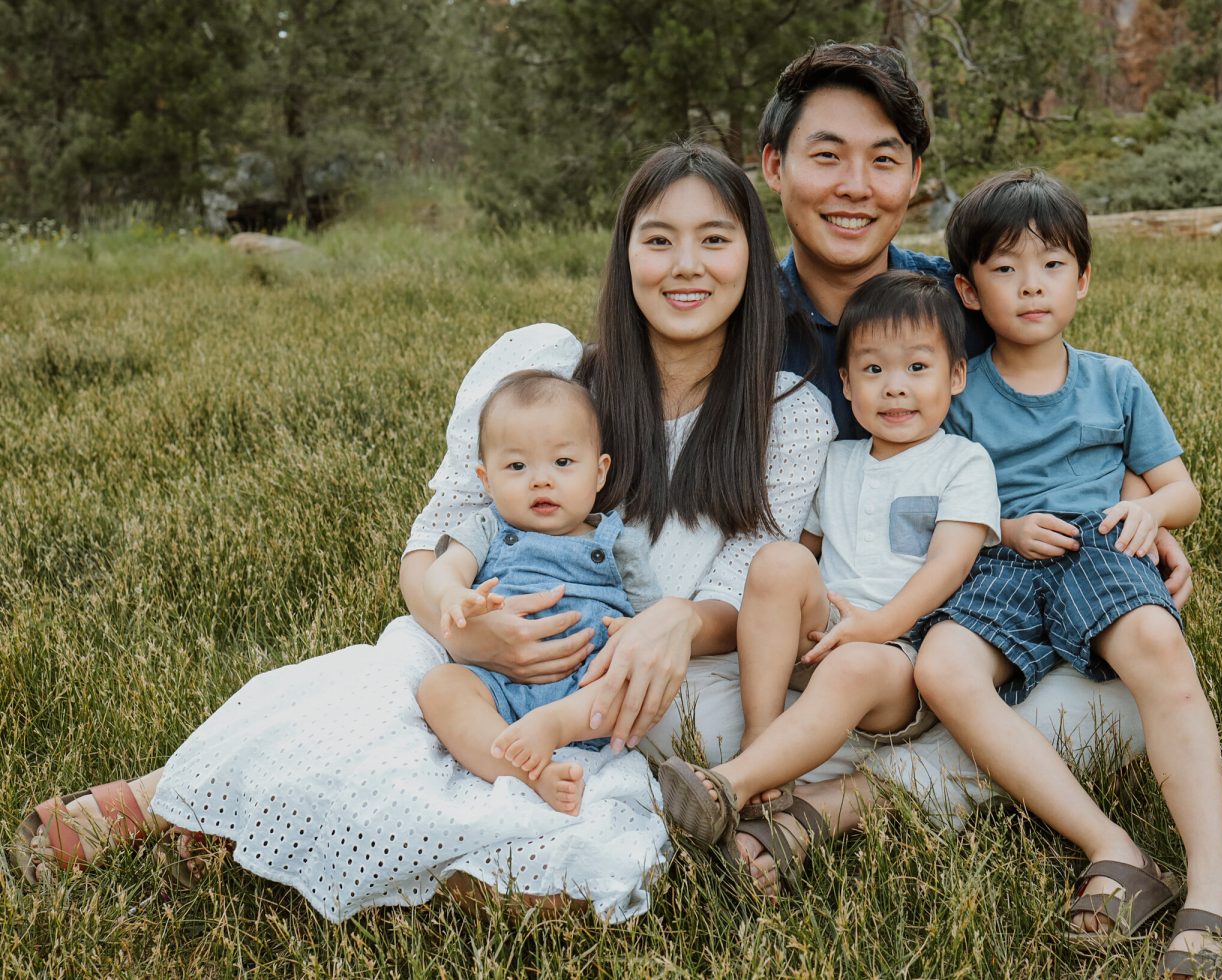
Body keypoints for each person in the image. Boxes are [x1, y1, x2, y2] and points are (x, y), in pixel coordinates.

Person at [11, 142, 836, 922]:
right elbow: (436, 541)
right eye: (659, 240)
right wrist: (460, 619)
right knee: (374, 696)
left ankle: (256, 836)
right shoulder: (551, 378)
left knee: (562, 873)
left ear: (751, 259)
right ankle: (165, 804)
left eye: (714, 240)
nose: (686, 266)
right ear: (625, 257)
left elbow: (746, 578)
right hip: (479, 666)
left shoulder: (788, 413)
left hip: (644, 692)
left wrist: (672, 625)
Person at [643, 40, 1195, 899]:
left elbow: (1085, 417)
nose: (855, 185)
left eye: (883, 160)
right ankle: (822, 778)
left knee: (1116, 699)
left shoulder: (966, 304)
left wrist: (1134, 514)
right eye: (827, 156)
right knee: (698, 716)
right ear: (774, 166)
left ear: (915, 177)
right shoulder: (736, 315)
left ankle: (849, 796)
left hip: (977, 627)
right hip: (805, 635)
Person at [913, 168, 1222, 977]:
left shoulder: (1115, 381)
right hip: (1003, 558)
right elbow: (932, 501)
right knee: (942, 667)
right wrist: (1003, 527)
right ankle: (1118, 850)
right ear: (965, 289)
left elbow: (1181, 489)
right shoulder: (958, 391)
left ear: (1084, 279)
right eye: (1005, 268)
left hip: (1101, 543)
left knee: (1159, 649)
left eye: (1053, 264)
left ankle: (1213, 876)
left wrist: (1150, 513)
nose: (1032, 285)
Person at [656, 271, 1000, 853]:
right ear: (845, 382)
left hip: (901, 657)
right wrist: (791, 604)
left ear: (957, 376)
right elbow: (807, 553)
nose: (895, 388)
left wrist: (879, 626)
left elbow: (950, 564)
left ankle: (733, 786)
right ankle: (764, 741)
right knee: (778, 559)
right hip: (825, 638)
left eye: (917, 368)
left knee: (853, 666)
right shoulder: (838, 459)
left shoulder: (961, 463)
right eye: (873, 370)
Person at [415, 371, 663, 816]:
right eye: (517, 467)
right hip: (499, 684)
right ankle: (532, 774)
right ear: (486, 480)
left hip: (589, 688)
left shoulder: (617, 541)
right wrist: (452, 594)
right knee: (440, 687)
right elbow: (444, 568)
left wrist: (636, 630)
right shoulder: (488, 526)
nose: (540, 480)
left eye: (563, 463)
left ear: (600, 472)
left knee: (631, 682)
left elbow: (653, 618)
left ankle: (551, 727)